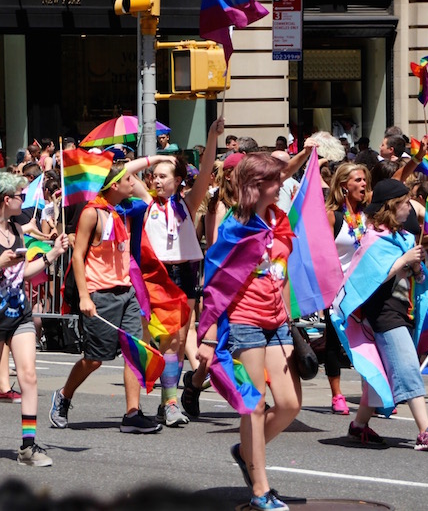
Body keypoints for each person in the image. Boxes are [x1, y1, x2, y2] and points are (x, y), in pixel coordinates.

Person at [196, 153, 301, 511]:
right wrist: (208, 336)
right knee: (253, 406)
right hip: (244, 321)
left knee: (289, 404)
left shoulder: (280, 220)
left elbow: (282, 271)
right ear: (258, 187)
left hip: (278, 323)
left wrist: (289, 317)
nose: (282, 183)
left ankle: (245, 452)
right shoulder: (234, 227)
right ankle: (260, 489)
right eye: (275, 180)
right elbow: (215, 282)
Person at [0, 172, 68, 466]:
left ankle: (28, 446)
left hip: (19, 314)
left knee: (28, 376)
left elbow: (22, 274)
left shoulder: (18, 230)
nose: (24, 199)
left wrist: (52, 255)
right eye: (20, 195)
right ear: (6, 200)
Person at [331, 179, 428, 452]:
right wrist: (404, 261)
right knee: (408, 367)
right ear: (391, 207)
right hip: (384, 314)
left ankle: (359, 426)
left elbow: (411, 276)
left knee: (381, 376)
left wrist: (417, 270)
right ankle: (425, 431)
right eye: (405, 203)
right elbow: (371, 278)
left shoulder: (404, 239)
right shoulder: (373, 239)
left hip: (401, 311)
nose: (410, 207)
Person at [49, 162, 162, 434]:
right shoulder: (92, 214)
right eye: (129, 179)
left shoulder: (122, 210)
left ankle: (132, 413)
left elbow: (146, 196)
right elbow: (77, 256)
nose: (133, 182)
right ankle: (63, 395)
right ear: (115, 185)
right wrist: (85, 297)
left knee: (135, 353)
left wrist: (153, 161)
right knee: (95, 359)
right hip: (101, 294)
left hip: (127, 293)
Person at [137, 118, 223, 427]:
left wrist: (212, 137)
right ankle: (170, 402)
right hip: (159, 276)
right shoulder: (147, 203)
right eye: (154, 176)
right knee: (170, 340)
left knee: (181, 338)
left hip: (187, 273)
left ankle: (167, 402)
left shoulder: (188, 203)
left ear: (178, 179)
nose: (157, 180)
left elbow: (209, 166)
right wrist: (155, 158)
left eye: (163, 175)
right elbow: (124, 175)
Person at [324, 163, 370, 414]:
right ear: (344, 186)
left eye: (365, 180)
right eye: (358, 180)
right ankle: (337, 394)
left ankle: (370, 393)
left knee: (366, 340)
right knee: (334, 341)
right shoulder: (332, 215)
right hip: (336, 289)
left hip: (364, 288)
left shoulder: (368, 216)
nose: (364, 184)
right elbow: (319, 251)